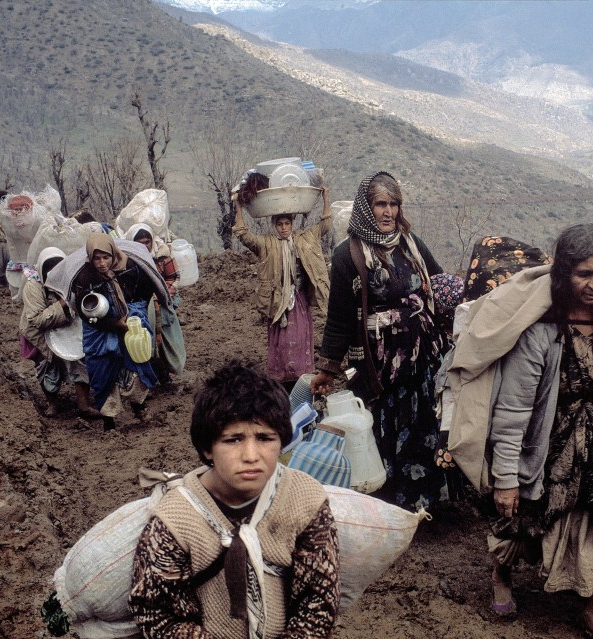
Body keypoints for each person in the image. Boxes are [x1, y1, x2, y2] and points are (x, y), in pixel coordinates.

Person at [485, 224, 593, 639]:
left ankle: (592, 606)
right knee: (522, 519)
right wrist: (507, 478)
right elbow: (513, 410)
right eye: (584, 274)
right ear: (564, 274)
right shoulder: (542, 332)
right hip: (545, 445)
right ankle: (501, 575)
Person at [129, 360, 339, 639]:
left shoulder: (304, 500)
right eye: (233, 440)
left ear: (283, 441)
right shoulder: (176, 520)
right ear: (206, 449)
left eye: (265, 438)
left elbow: (318, 602)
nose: (251, 455)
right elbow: (156, 614)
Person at [310, 171, 448, 510]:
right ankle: (392, 501)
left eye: (394, 205)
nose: (388, 212)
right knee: (387, 421)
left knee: (426, 419)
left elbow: (441, 284)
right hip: (381, 363)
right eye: (380, 204)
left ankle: (429, 501)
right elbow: (340, 315)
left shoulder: (412, 245)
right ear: (365, 208)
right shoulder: (348, 256)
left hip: (422, 357)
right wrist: (328, 367)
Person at [233, 177, 332, 392]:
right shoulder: (267, 243)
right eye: (280, 224)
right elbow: (243, 235)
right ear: (274, 225)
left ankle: (301, 378)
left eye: (287, 223)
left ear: (292, 223)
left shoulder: (304, 238)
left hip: (299, 299)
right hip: (278, 301)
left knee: (300, 337)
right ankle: (282, 380)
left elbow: (325, 224)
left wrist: (325, 197)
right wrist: (238, 207)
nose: (284, 228)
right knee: (282, 340)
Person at [70, 235, 158, 430]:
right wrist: (115, 324)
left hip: (126, 326)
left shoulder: (127, 269)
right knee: (103, 374)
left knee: (135, 367)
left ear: (113, 254)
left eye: (106, 257)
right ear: (90, 258)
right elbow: (86, 315)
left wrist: (134, 313)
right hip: (99, 333)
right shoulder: (84, 279)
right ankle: (109, 421)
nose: (102, 263)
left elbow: (143, 292)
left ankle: (139, 408)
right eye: (97, 258)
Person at [19, 247, 99, 419]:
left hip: (68, 327)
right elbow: (37, 320)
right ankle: (52, 402)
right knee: (47, 365)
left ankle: (83, 404)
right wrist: (62, 305)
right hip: (38, 332)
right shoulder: (34, 286)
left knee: (80, 359)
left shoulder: (72, 281)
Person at [126, 224, 186, 383]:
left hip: (162, 300)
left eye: (147, 241)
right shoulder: (127, 258)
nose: (144, 246)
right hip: (138, 304)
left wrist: (162, 294)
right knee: (144, 341)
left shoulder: (162, 256)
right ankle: (150, 377)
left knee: (164, 338)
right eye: (139, 242)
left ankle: (165, 373)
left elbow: (173, 278)